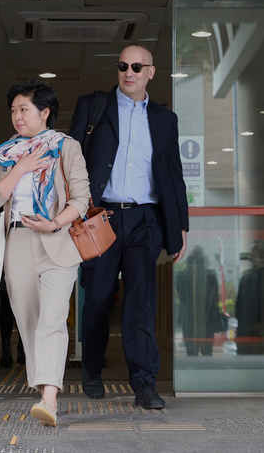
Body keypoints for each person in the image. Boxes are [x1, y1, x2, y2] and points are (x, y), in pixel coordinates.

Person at [68, 44, 189, 410]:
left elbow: (173, 174)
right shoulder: (94, 106)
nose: (129, 71)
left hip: (145, 219)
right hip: (101, 217)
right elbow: (70, 161)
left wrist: (179, 224)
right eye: (123, 65)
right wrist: (73, 211)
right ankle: (91, 368)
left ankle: (144, 383)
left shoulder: (165, 119)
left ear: (151, 72)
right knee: (99, 298)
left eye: (137, 66)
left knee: (141, 302)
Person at [0, 81, 90, 427]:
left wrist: (55, 222)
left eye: (23, 109)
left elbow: (81, 200)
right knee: (28, 321)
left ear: (45, 113)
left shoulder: (66, 147)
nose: (17, 116)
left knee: (53, 320)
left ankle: (49, 399)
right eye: (13, 110)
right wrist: (21, 168)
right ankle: (45, 386)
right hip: (17, 243)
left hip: (57, 240)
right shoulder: (5, 154)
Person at [174, 246, 223, 357]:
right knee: (191, 353)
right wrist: (188, 270)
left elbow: (215, 296)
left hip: (207, 319)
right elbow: (180, 292)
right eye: (193, 257)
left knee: (207, 353)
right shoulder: (182, 275)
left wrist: (201, 270)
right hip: (189, 320)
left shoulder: (210, 275)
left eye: (199, 257)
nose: (196, 260)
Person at [235, 242, 264, 355]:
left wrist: (261, 264)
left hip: (262, 326)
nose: (252, 256)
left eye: (256, 253)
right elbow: (239, 305)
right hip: (245, 327)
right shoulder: (246, 277)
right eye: (252, 253)